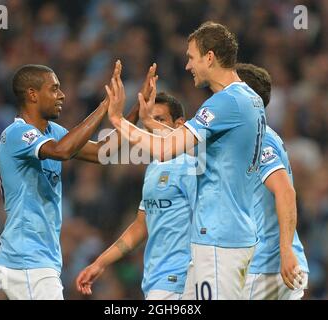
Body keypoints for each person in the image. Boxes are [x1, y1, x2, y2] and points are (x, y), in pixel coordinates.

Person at [104, 21, 266, 299]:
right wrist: (147, 122)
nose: (188, 66)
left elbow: (167, 149)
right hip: (230, 235)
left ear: (210, 57)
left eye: (191, 57)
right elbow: (194, 146)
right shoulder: (249, 99)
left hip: (219, 240)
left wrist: (118, 120)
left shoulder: (224, 102)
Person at [0, 61, 156, 300]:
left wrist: (135, 108)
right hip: (26, 258)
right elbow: (62, 151)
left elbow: (103, 151)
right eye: (54, 88)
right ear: (32, 94)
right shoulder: (16, 134)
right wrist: (104, 106)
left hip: (39, 258)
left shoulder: (52, 131)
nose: (62, 95)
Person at [75, 91, 197, 300]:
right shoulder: (154, 168)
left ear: (179, 125)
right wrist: (100, 262)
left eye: (159, 120)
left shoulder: (190, 166)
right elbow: (141, 226)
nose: (151, 126)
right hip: (155, 278)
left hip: (180, 279)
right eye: (147, 121)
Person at [235, 63, 309, 300]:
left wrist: (285, 251)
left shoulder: (260, 140)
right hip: (264, 266)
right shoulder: (253, 136)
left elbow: (285, 192)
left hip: (268, 269)